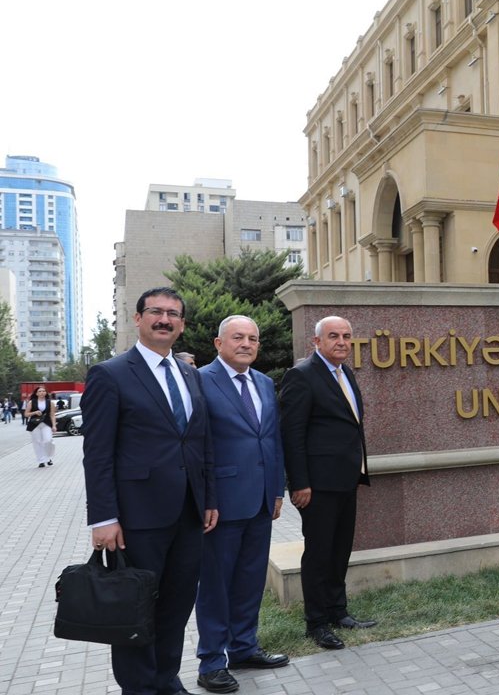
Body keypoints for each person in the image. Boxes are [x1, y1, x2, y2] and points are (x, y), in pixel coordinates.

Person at [82, 286, 218, 695]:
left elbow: (201, 442)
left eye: (173, 314)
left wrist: (209, 498)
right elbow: (97, 453)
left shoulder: (190, 373)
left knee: (177, 606)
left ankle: (166, 678)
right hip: (137, 517)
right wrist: (103, 518)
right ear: (137, 319)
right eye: (155, 311)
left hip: (189, 513)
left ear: (182, 325)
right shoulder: (110, 374)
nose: (164, 319)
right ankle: (139, 687)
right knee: (136, 608)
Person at [193, 315, 290, 694]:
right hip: (221, 504)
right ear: (219, 343)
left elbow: (273, 440)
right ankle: (211, 661)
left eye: (252, 338)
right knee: (216, 584)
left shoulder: (265, 383)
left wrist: (278, 489)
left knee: (250, 580)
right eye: (238, 337)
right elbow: (198, 445)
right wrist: (206, 498)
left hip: (262, 500)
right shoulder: (200, 380)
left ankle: (244, 647)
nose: (246, 343)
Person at [280, 315, 374, 650]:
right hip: (317, 486)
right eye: (333, 336)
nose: (342, 342)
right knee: (319, 554)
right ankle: (317, 622)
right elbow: (292, 435)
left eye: (347, 336)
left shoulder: (345, 372)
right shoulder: (302, 375)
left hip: (346, 480)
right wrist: (299, 483)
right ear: (316, 342)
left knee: (339, 550)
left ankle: (338, 611)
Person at [25, 385, 57, 468]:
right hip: (34, 425)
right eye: (39, 391)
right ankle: (41, 460)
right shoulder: (32, 402)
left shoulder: (50, 402)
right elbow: (26, 414)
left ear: (46, 393)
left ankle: (49, 457)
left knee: (48, 440)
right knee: (38, 442)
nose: (42, 392)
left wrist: (54, 425)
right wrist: (34, 413)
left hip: (46, 424)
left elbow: (52, 415)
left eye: (43, 391)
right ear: (36, 393)